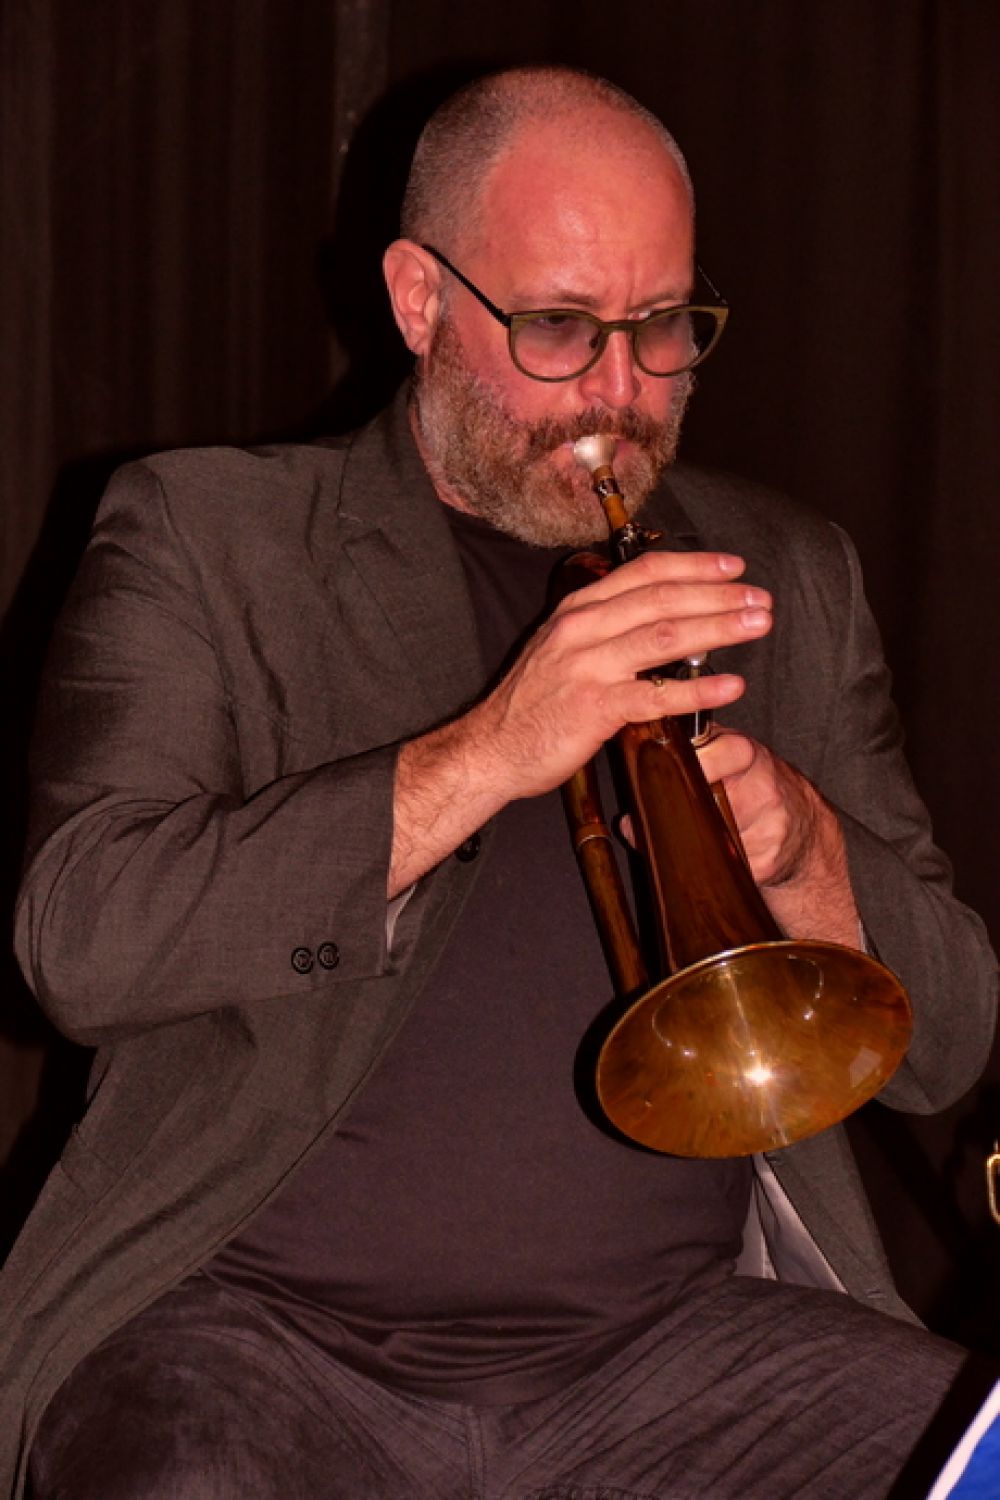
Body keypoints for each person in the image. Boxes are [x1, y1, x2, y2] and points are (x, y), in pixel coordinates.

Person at [2, 64, 997, 1500]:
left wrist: (811, 858)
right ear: (420, 301)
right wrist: (489, 751)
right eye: (559, 328)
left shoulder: (787, 574)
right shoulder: (208, 537)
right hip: (253, 1339)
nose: (621, 393)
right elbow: (82, 941)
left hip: (677, 1360)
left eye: (665, 328)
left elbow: (953, 1043)